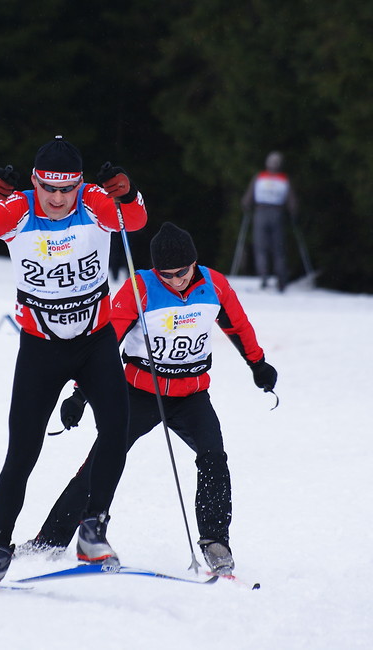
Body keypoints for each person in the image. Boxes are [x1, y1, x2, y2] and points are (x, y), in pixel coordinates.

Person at [26, 222, 278, 576]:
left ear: (194, 263)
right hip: (140, 392)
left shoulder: (215, 285)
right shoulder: (139, 288)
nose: (175, 281)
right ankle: (50, 541)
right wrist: (80, 395)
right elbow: (105, 342)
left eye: (182, 273)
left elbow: (237, 325)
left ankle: (215, 542)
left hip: (191, 395)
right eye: (166, 275)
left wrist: (257, 363)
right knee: (102, 461)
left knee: (214, 457)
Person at [0, 135, 148, 591]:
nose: (59, 198)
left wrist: (128, 193)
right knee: (23, 450)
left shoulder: (95, 203)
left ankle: (92, 529)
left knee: (117, 429)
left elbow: (134, 220)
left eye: (67, 189)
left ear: (79, 184)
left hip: (94, 342)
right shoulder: (18, 210)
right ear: (35, 182)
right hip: (40, 347)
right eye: (49, 188)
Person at [240, 151, 298, 292]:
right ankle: (281, 280)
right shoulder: (284, 179)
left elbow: (247, 198)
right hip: (277, 214)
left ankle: (264, 277)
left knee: (261, 247)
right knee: (278, 248)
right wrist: (294, 213)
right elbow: (292, 201)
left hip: (261, 213)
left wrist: (246, 206)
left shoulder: (259, 177)